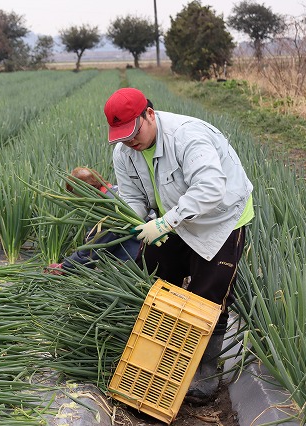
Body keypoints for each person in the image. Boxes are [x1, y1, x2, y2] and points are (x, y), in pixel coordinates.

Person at [104, 87, 254, 404]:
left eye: (134, 132)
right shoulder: (124, 152)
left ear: (149, 113)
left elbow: (210, 188)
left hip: (221, 220)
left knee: (209, 296)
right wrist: (140, 221)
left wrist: (164, 222)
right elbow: (131, 196)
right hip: (173, 217)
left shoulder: (188, 137)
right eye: (121, 136)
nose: (129, 141)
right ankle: (157, 356)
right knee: (155, 278)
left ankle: (206, 374)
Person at [47, 167, 141, 273]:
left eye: (76, 195)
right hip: (145, 254)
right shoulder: (118, 192)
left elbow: (96, 247)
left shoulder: (106, 206)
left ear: (85, 190)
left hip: (134, 264)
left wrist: (64, 267)